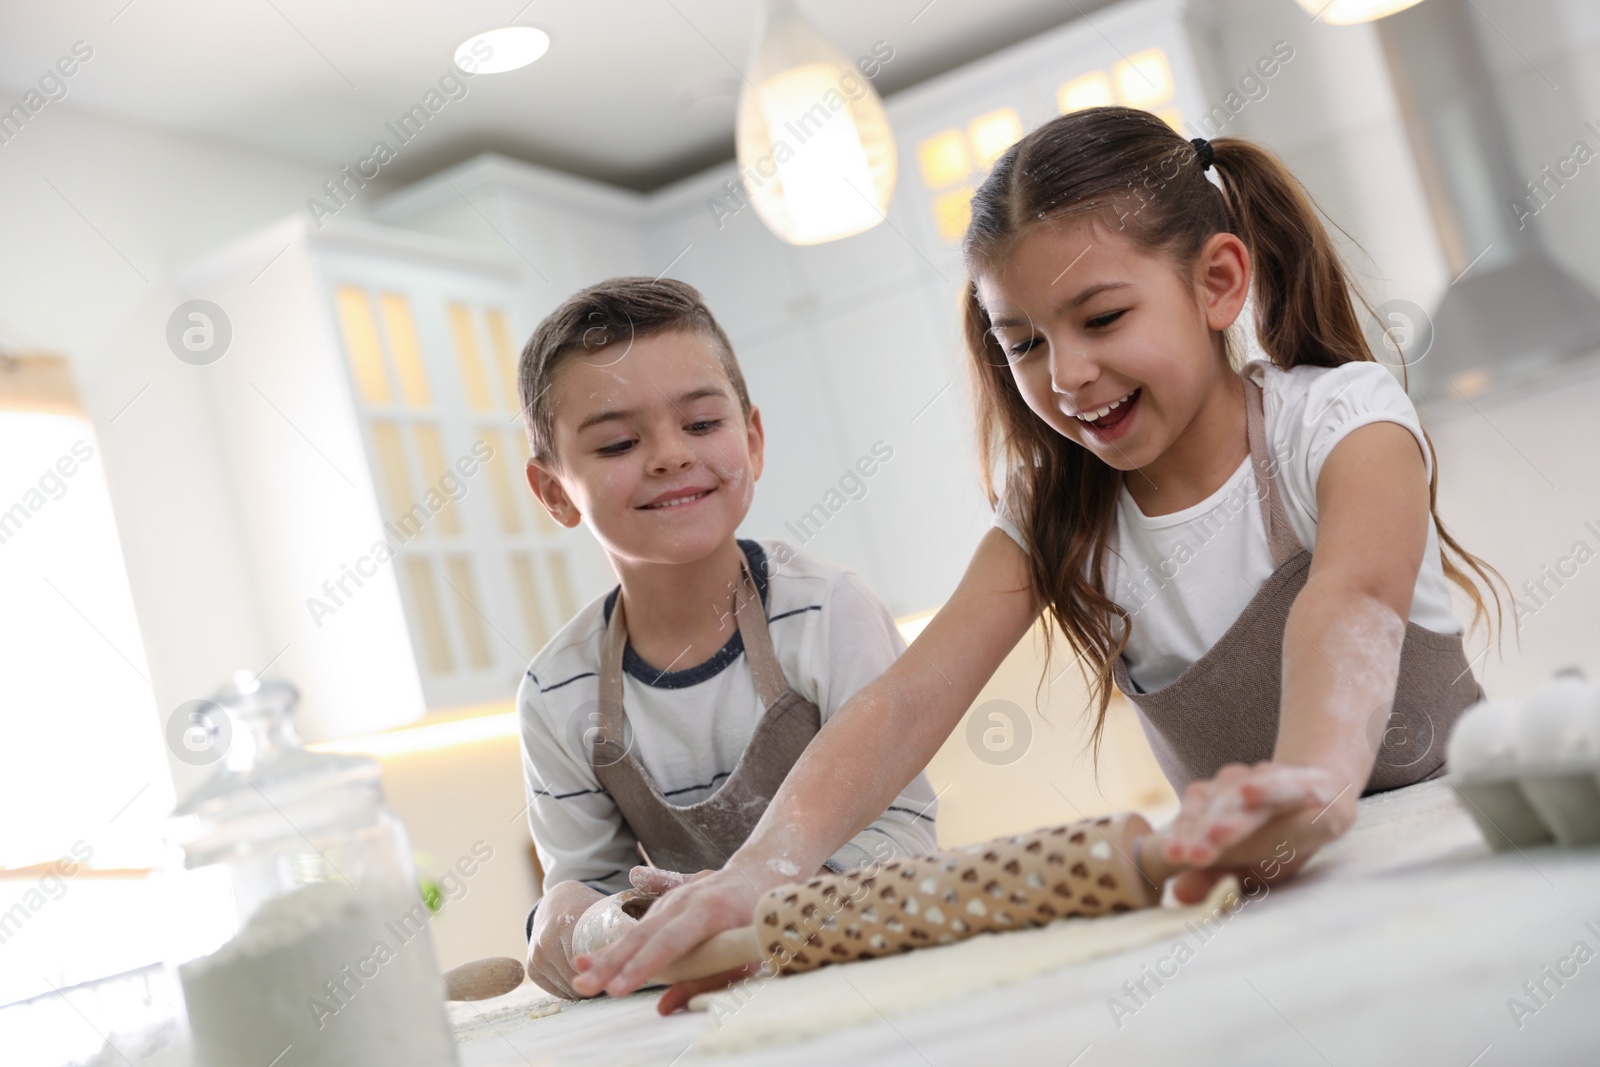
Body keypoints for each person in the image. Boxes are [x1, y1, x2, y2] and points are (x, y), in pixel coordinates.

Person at [570, 107, 1508, 1001]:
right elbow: (900, 704)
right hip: (1262, 897)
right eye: (1022, 343)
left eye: (1101, 319)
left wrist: (1309, 785)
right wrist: (756, 873)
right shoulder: (1060, 511)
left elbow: (1350, 605)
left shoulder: (1339, 421)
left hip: (1462, 846)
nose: (1066, 376)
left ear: (1218, 282)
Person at [514, 277, 939, 1000]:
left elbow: (902, 834)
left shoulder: (828, 613)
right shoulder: (557, 693)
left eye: (703, 425)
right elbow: (592, 891)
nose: (671, 455)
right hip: (708, 1007)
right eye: (619, 441)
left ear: (755, 438)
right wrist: (569, 918)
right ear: (554, 492)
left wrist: (763, 906)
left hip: (878, 970)